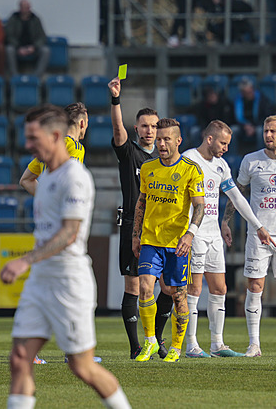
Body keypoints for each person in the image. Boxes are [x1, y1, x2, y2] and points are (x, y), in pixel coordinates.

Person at [0, 104, 131, 409]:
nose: (28, 145)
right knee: (20, 357)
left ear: (56, 135)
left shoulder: (75, 177)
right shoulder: (45, 177)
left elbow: (69, 233)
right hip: (40, 281)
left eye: (34, 138)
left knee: (82, 367)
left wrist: (25, 260)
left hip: (68, 282)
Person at [182, 120, 276, 358]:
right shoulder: (188, 159)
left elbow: (237, 197)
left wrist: (257, 226)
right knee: (193, 288)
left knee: (219, 288)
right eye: (223, 143)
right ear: (210, 139)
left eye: (228, 144)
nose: (225, 148)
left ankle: (217, 344)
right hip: (194, 232)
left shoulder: (221, 166)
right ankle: (191, 344)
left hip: (213, 234)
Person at [222, 115, 276, 357]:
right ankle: (254, 344)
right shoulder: (251, 161)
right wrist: (226, 221)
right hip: (257, 234)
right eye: (265, 131)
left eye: (273, 131)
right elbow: (237, 194)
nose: (268, 135)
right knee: (255, 285)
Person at [109, 78, 174, 360]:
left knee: (169, 286)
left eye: (154, 126)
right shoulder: (129, 153)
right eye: (145, 126)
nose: (149, 131)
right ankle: (137, 346)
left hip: (164, 230)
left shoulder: (168, 160)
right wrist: (115, 100)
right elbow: (117, 129)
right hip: (133, 228)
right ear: (137, 128)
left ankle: (156, 337)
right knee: (134, 285)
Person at [132, 118, 205, 363]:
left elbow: (200, 206)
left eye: (166, 139)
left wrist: (190, 233)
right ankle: (150, 341)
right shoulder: (149, 167)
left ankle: (175, 347)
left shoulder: (191, 169)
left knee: (177, 294)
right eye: (158, 139)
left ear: (178, 141)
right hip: (150, 239)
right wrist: (135, 235)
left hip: (177, 243)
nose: (161, 143)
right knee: (144, 286)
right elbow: (141, 202)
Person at [20, 102, 88, 196]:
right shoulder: (76, 147)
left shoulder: (49, 147)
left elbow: (25, 180)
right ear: (82, 123)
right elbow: (70, 181)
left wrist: (45, 198)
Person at [5, 0, 51, 77]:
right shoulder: (13, 18)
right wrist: (18, 47)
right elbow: (8, 35)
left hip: (32, 47)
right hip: (17, 47)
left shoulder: (35, 19)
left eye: (28, 7)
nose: (27, 9)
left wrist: (34, 47)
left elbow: (42, 36)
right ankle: (14, 76)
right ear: (20, 8)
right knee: (9, 50)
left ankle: (36, 77)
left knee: (46, 51)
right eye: (25, 7)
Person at [232, 77, 272, 156]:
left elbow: (267, 117)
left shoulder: (262, 100)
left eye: (249, 92)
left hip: (258, 125)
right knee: (232, 130)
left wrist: (253, 127)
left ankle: (261, 156)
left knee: (260, 131)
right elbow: (234, 118)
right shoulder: (237, 100)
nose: (247, 94)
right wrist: (245, 126)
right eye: (244, 92)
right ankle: (233, 156)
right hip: (243, 126)